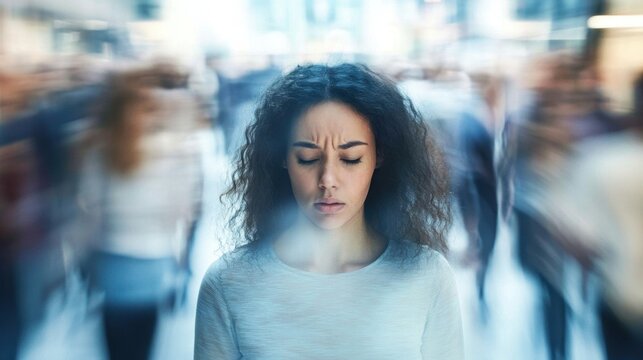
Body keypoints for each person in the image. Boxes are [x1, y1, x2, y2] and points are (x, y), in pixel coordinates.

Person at [195, 63, 464, 359]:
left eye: (350, 158)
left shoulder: (427, 276)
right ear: (283, 159)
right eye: (308, 158)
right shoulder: (228, 284)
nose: (328, 180)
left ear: (380, 157)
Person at [77, 68, 201, 360]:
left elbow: (89, 211)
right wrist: (181, 264)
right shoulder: (169, 153)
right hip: (152, 263)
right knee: (143, 347)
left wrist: (84, 263)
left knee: (116, 349)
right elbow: (181, 212)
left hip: (112, 262)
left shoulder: (99, 152)